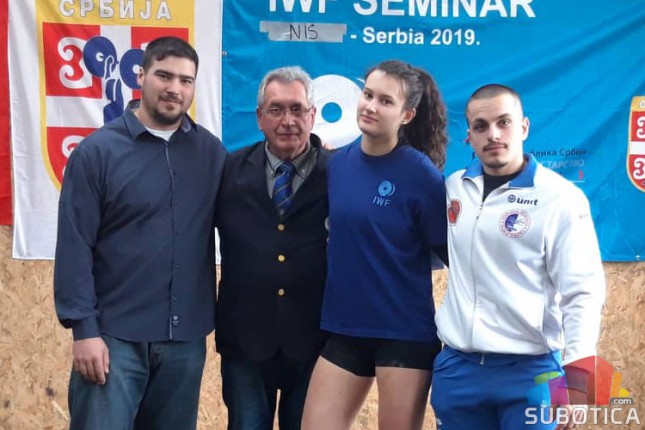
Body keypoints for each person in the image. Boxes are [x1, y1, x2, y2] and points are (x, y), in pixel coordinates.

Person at [53, 36, 226, 430]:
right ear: (141, 75)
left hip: (184, 343)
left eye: (185, 80)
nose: (174, 88)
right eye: (164, 75)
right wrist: (84, 331)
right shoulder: (97, 153)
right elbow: (75, 245)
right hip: (113, 339)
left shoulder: (210, 154)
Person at [431, 84, 606, 430]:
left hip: (531, 373)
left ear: (524, 127)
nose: (493, 134)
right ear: (468, 136)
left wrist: (578, 377)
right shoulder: (454, 188)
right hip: (458, 369)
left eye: (504, 122)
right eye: (481, 126)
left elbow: (583, 291)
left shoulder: (560, 198)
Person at [301, 60, 449, 430]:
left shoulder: (421, 175)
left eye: (385, 101)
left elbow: (449, 255)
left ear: (407, 115)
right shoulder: (337, 164)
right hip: (345, 327)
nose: (370, 106)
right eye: (368, 94)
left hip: (404, 333)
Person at [215, 66, 330, 430]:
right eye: (276, 110)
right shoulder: (228, 170)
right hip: (244, 341)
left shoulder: (339, 173)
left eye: (297, 109)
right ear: (259, 117)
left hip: (316, 343)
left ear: (313, 115)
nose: (288, 121)